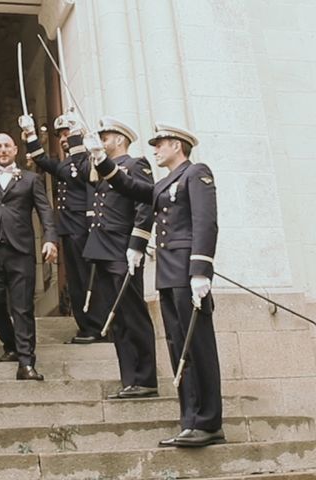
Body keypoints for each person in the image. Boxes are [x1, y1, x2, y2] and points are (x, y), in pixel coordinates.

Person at [89, 122, 223, 447]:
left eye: (160, 144)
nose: (155, 149)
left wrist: (202, 270)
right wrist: (101, 161)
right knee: (179, 348)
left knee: (197, 347)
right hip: (167, 276)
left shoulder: (196, 173)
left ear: (177, 145)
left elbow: (206, 221)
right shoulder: (163, 183)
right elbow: (130, 187)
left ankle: (209, 423)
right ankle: (190, 420)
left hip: (188, 275)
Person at [0, 133, 58, 381]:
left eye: (7, 146)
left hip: (20, 249)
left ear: (15, 150)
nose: (3, 150)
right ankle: (11, 343)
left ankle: (26, 363)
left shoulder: (31, 178)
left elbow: (45, 210)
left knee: (22, 306)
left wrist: (50, 239)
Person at [78, 117, 158, 399]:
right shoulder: (103, 167)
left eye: (106, 136)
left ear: (121, 139)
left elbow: (145, 205)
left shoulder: (136, 165)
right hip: (103, 248)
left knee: (133, 313)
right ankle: (130, 379)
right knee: (117, 318)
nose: (101, 140)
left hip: (123, 248)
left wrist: (137, 243)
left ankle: (146, 378)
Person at [19, 112, 105, 344]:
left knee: (89, 279)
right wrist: (30, 134)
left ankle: (97, 326)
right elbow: (41, 159)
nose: (63, 139)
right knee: (76, 281)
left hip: (85, 229)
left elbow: (91, 184)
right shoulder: (67, 164)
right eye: (61, 135)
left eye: (67, 133)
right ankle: (85, 326)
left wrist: (80, 139)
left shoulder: (87, 160)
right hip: (69, 229)